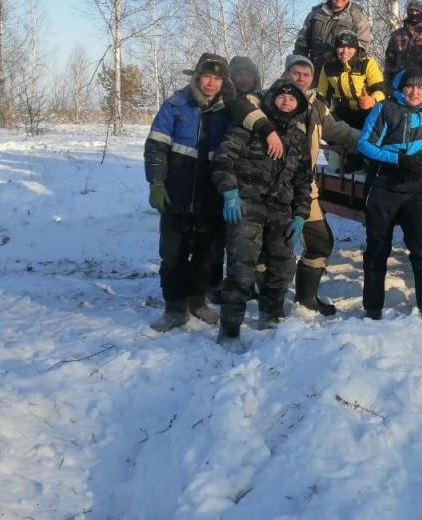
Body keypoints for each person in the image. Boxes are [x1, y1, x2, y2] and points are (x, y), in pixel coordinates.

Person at [227, 54, 360, 316]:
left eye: (306, 74)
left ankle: (307, 299)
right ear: (286, 73)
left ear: (312, 79)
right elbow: (238, 106)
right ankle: (268, 300)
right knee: (265, 250)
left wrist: (376, 145)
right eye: (295, 73)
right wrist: (266, 128)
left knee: (321, 242)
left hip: (302, 190)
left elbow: (342, 133)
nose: (300, 78)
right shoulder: (265, 98)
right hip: (265, 193)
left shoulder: (317, 107)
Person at [212, 80, 312, 343]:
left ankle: (271, 316)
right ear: (273, 98)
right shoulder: (251, 125)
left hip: (280, 210)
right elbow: (223, 160)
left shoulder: (299, 138)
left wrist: (301, 214)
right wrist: (230, 191)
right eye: (282, 96)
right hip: (247, 205)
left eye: (293, 98)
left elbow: (303, 181)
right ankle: (230, 329)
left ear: (299, 104)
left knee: (282, 267)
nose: (287, 101)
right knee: (241, 269)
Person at [143, 53, 231, 332]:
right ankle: (175, 309)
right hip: (177, 194)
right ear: (196, 76)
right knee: (173, 255)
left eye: (217, 78)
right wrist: (156, 183)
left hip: (211, 197)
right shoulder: (175, 105)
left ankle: (197, 302)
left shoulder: (228, 111)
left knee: (207, 255)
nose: (211, 83)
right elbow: (156, 147)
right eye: (207, 76)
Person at [357, 67, 422, 320]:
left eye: (420, 87)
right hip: (382, 186)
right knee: (377, 249)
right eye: (410, 86)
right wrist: (398, 159)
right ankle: (372, 308)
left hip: (414, 190)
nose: (415, 91)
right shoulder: (384, 108)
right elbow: (364, 144)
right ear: (400, 88)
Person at [293, 0, 374, 74]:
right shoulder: (317, 12)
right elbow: (302, 41)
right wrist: (300, 64)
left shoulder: (358, 17)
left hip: (341, 73)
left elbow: (362, 47)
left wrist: (336, 55)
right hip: (314, 70)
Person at [315, 30, 388, 130]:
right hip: (341, 112)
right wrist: (318, 112)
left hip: (367, 110)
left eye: (350, 48)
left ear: (356, 49)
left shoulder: (367, 63)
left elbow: (380, 88)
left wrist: (373, 100)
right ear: (336, 49)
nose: (345, 52)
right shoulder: (328, 67)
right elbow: (321, 94)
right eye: (341, 47)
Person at [384, 0, 422, 79]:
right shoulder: (397, 34)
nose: (414, 13)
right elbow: (389, 60)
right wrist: (388, 80)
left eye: (417, 11)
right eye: (411, 11)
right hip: (400, 79)